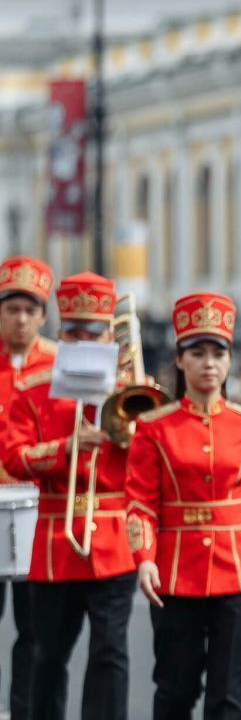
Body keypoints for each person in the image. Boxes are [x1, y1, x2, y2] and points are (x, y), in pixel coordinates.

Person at [125, 292, 241, 719]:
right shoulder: (154, 427)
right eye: (198, 352)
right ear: (180, 360)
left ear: (229, 361)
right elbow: (140, 502)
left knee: (228, 693)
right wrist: (144, 558)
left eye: (218, 353)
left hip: (238, 572)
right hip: (175, 571)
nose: (209, 362)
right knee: (174, 688)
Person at [4, 272, 137, 720]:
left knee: (111, 653)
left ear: (108, 336)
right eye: (75, 332)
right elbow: (16, 457)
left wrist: (130, 427)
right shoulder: (32, 391)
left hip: (114, 539)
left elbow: (151, 459)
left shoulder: (129, 390)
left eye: (94, 333)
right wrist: (65, 447)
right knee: (47, 655)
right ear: (60, 333)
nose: (84, 340)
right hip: (55, 538)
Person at [0, 256, 55, 720]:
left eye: (29, 310)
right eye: (11, 308)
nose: (20, 319)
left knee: (35, 628)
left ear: (42, 315)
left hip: (39, 511)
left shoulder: (59, 366)